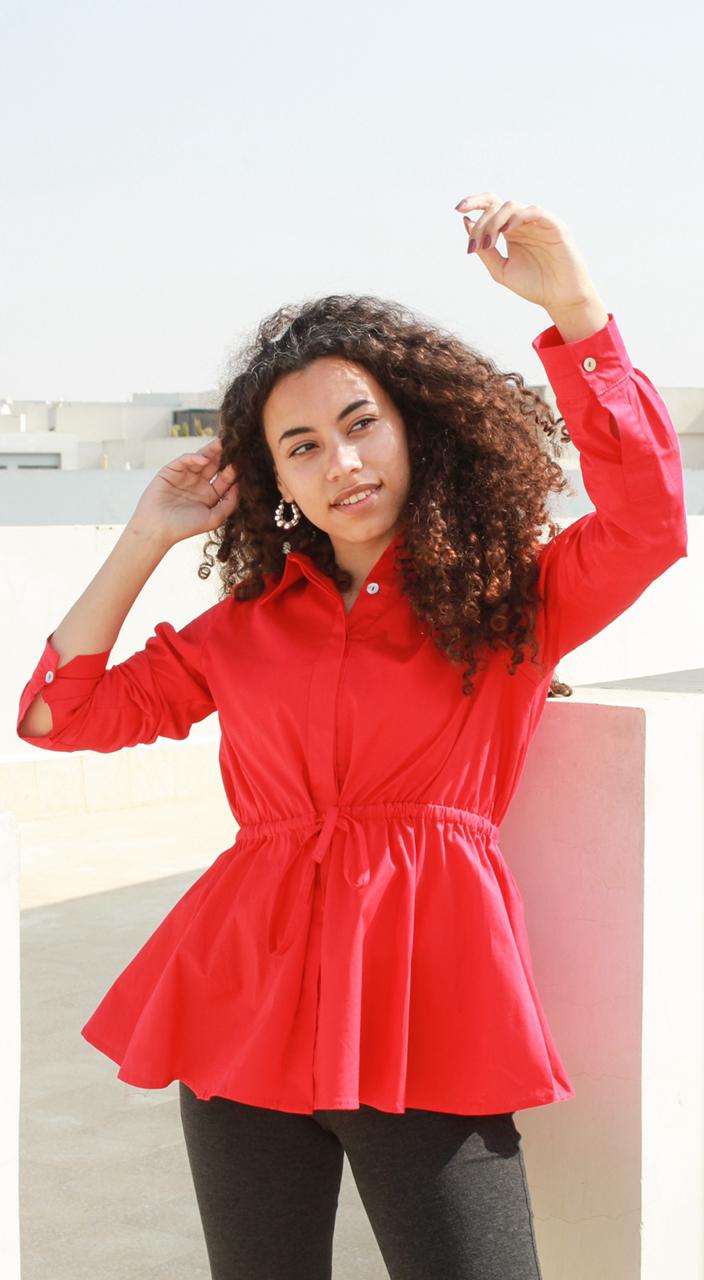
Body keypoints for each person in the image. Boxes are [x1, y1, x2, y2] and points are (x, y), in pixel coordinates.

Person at [16, 192, 688, 1280]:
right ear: (274, 481)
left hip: (431, 1001)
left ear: (414, 425)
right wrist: (144, 535)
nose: (341, 462)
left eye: (359, 422)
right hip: (240, 1008)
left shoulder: (504, 596)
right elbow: (60, 713)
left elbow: (649, 522)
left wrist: (575, 312)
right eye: (301, 445)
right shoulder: (242, 627)